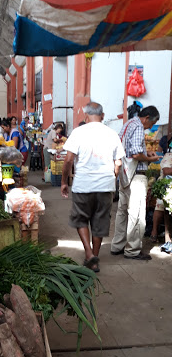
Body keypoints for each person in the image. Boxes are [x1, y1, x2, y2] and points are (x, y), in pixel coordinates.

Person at [61, 102, 124, 272]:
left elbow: (68, 160)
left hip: (83, 185)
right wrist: (112, 178)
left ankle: (89, 254)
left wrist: (64, 182)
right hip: (105, 186)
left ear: (86, 116)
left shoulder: (78, 132)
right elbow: (118, 162)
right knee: (100, 221)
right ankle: (94, 261)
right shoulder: (112, 134)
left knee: (81, 219)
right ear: (102, 116)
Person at [111, 106, 160, 260]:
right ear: (146, 118)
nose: (151, 127)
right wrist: (150, 158)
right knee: (136, 213)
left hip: (124, 173)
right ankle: (132, 250)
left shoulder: (128, 123)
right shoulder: (139, 127)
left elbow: (126, 149)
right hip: (136, 175)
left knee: (122, 210)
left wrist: (146, 153)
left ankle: (117, 245)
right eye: (152, 123)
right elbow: (136, 153)